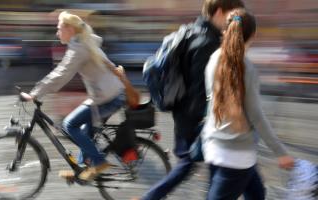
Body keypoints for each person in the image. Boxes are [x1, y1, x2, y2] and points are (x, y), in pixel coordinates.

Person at [133, 1, 246, 200]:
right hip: (198, 118)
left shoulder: (188, 32)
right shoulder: (208, 42)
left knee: (194, 165)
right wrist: (209, 122)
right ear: (219, 12)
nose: (232, 23)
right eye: (233, 16)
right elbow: (201, 89)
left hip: (183, 112)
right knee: (198, 165)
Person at [20, 11, 127, 181]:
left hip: (107, 97)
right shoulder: (85, 41)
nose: (57, 33)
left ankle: (99, 162)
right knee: (85, 130)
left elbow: (61, 74)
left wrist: (35, 93)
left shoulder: (78, 48)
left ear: (69, 29)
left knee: (69, 125)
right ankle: (81, 169)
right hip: (111, 94)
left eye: (59, 28)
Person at [202, 9, 295, 200]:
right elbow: (256, 116)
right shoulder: (247, 69)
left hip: (214, 146)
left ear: (225, 30)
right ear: (253, 35)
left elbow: (211, 102)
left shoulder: (213, 59)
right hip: (236, 156)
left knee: (257, 194)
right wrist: (280, 152)